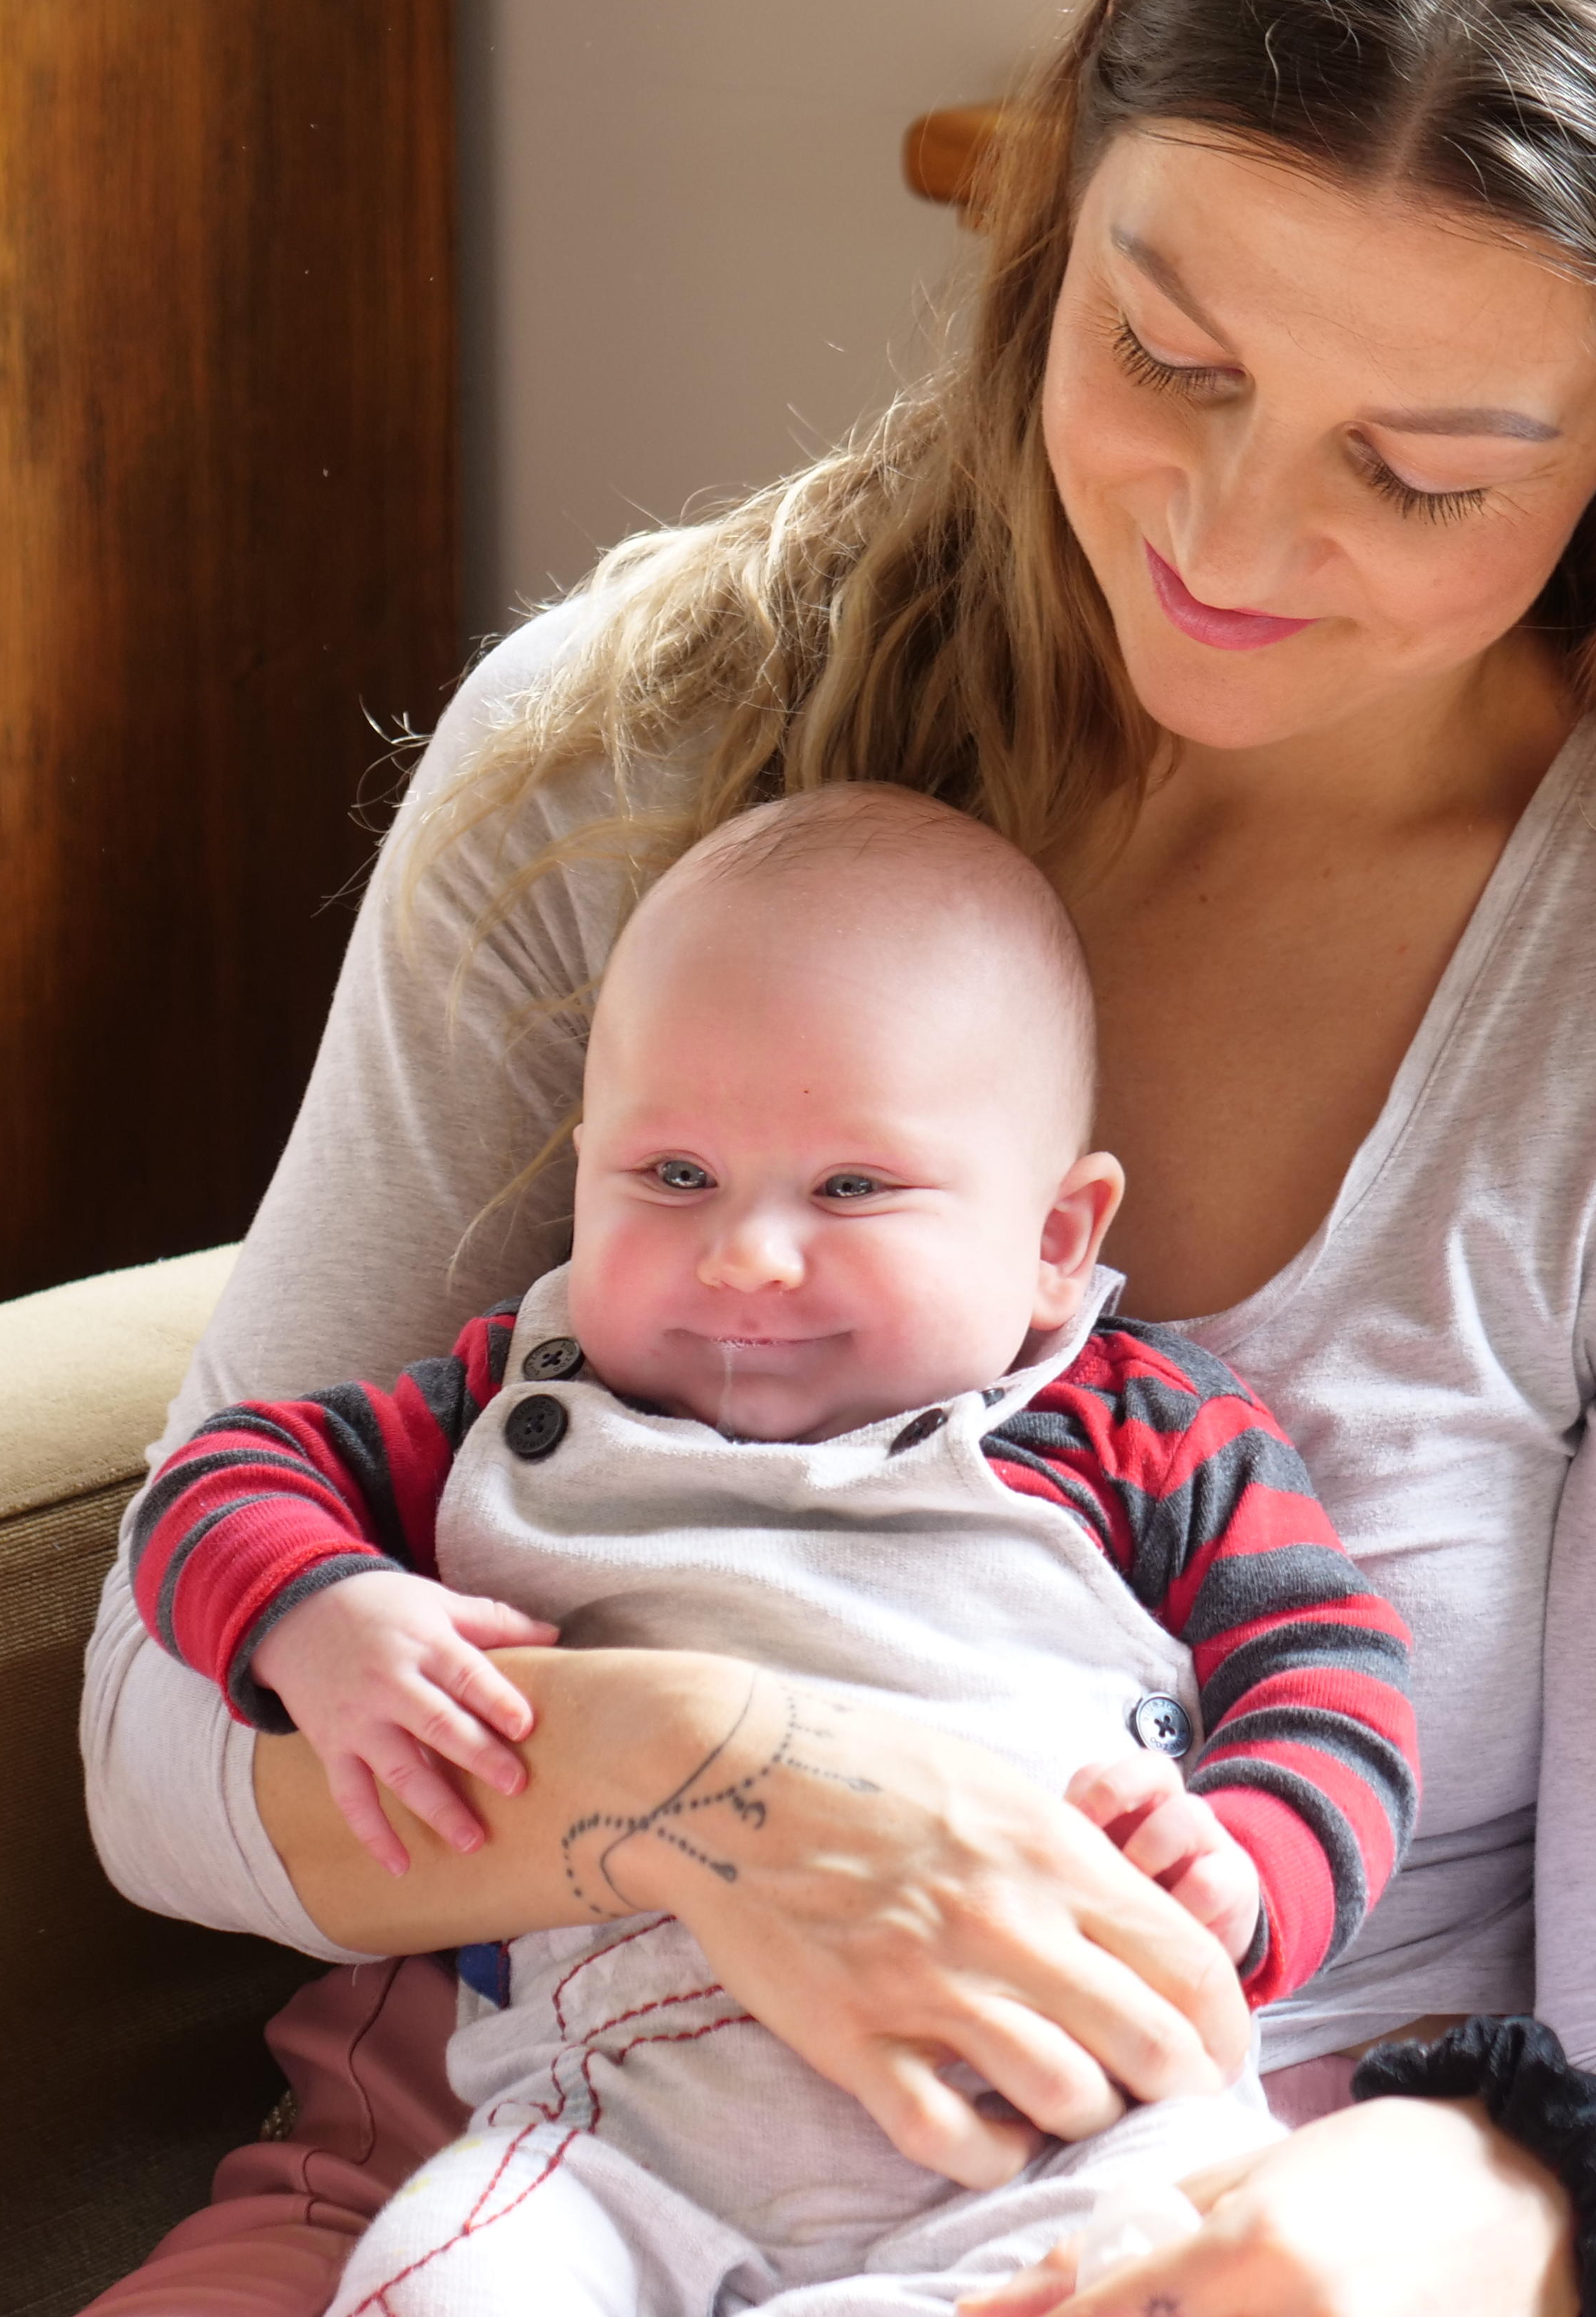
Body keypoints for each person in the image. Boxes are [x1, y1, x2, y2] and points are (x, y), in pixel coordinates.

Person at [80, 0, 1596, 2311]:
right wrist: (718, 1784)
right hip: (513, 2172)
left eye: (1416, 473)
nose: (1227, 526)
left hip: (1184, 2225)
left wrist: (1490, 2209)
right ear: (1059, 195)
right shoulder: (623, 771)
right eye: (1169, 356)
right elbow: (161, 1748)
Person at [127, 786, 1418, 2312]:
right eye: (671, 1177)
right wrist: (318, 1612)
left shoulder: (1142, 1430)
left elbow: (1333, 1672)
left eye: (851, 1187)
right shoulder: (510, 1401)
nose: (743, 1254)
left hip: (1049, 2135)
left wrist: (1251, 1864)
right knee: (439, 2272)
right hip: (610, 2146)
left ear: (1056, 1238)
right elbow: (218, 1480)